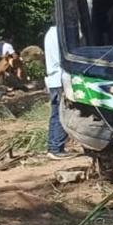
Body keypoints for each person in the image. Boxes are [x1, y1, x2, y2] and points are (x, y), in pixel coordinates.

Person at [44, 25, 74, 159]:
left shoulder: (50, 33)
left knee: (56, 113)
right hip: (60, 79)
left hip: (53, 79)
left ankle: (54, 146)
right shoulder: (61, 33)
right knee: (61, 114)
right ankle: (56, 147)